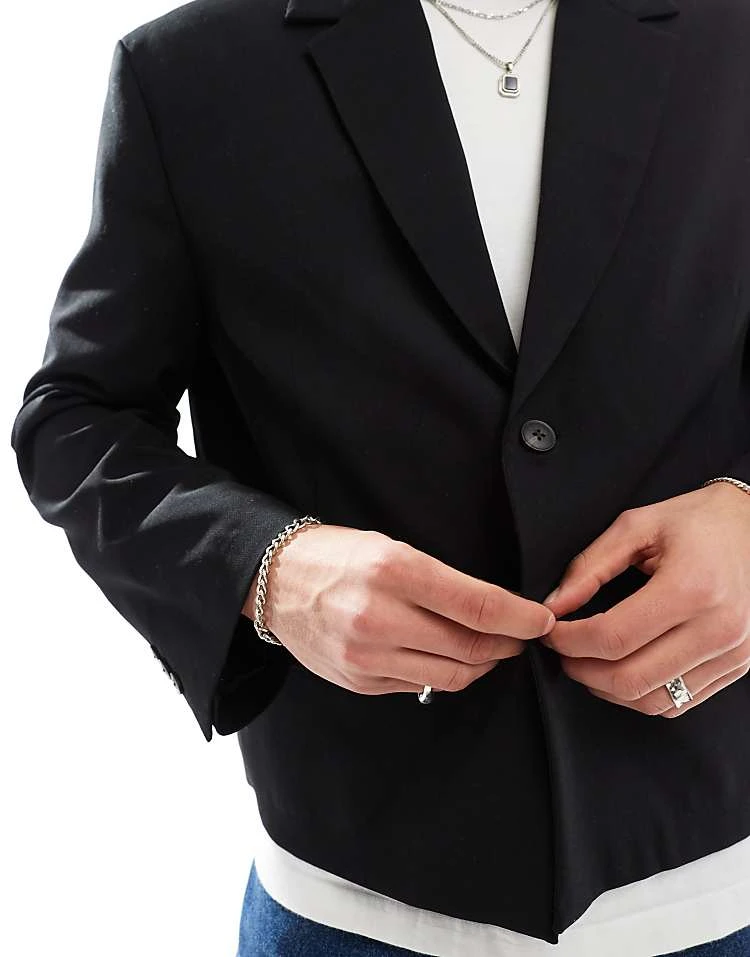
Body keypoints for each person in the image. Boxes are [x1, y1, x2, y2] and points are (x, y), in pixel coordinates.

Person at [9, 0, 750, 954]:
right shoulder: (190, 71)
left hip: (718, 885)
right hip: (349, 901)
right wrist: (269, 568)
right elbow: (76, 419)